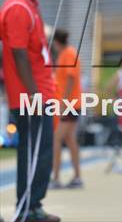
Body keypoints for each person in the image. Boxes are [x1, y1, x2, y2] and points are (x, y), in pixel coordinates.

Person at [0, 0, 60, 222]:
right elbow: (18, 54)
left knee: (41, 151)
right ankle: (27, 208)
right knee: (35, 153)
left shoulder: (29, 5)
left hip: (39, 92)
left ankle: (33, 205)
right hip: (30, 96)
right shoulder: (17, 8)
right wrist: (34, 93)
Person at [49, 29, 83, 189]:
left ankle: (55, 177)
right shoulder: (65, 54)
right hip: (69, 103)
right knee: (70, 139)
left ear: (56, 42)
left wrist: (64, 103)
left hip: (70, 104)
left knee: (57, 139)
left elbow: (70, 78)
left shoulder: (69, 54)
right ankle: (77, 176)